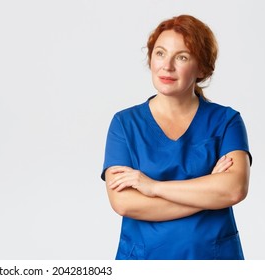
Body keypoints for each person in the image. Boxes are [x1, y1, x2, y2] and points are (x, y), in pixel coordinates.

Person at [101, 14, 252, 260]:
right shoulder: (125, 124)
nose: (167, 66)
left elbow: (233, 189)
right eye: (160, 53)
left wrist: (153, 187)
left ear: (202, 67)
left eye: (182, 57)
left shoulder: (226, 121)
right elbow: (125, 203)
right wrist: (207, 193)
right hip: (145, 260)